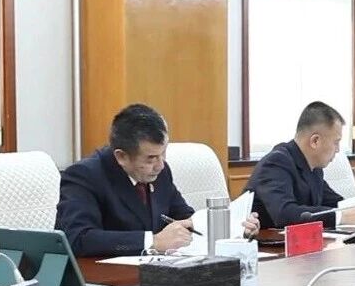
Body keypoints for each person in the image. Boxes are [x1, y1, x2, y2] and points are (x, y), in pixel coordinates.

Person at [57, 104, 259, 257]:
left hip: (155, 276)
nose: (160, 165)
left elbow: (183, 216)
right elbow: (78, 239)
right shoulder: (84, 176)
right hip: (101, 285)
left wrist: (233, 229)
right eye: (151, 158)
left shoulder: (160, 171)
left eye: (163, 153)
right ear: (121, 156)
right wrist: (151, 242)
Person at [247, 102, 355, 229]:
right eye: (336, 142)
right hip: (267, 251)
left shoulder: (314, 168)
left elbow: (337, 203)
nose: (338, 150)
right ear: (315, 141)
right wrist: (341, 217)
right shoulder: (276, 163)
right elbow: (284, 214)